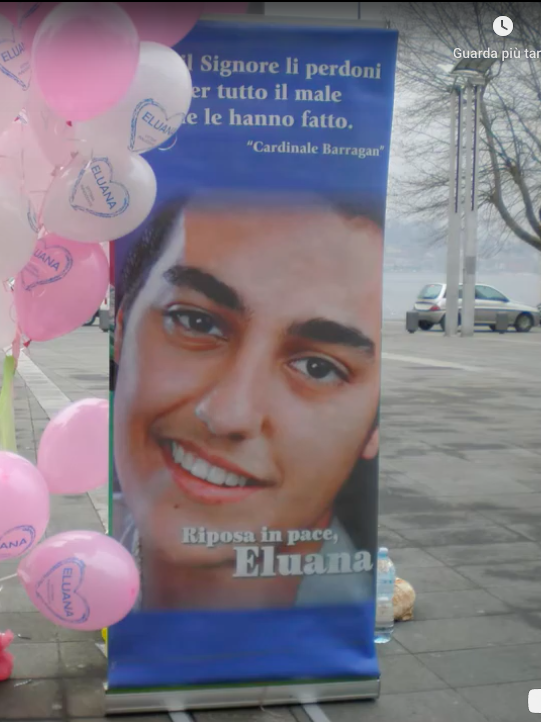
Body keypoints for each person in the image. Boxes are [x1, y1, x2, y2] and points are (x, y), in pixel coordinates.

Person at [111, 195, 382, 611]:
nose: (228, 414)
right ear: (122, 327)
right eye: (196, 322)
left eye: (317, 367)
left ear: (373, 428)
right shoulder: (91, 561)